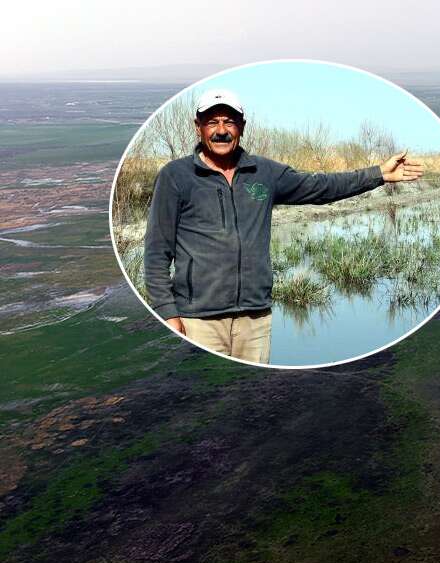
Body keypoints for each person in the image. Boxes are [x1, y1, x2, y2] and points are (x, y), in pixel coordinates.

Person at [143, 89, 424, 364]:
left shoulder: (265, 173)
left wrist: (378, 174)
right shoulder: (176, 176)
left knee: (252, 401)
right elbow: (157, 252)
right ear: (198, 127)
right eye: (212, 122)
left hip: (255, 319)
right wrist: (168, 314)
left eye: (229, 121)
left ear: (242, 126)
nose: (221, 130)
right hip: (197, 321)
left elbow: (320, 187)